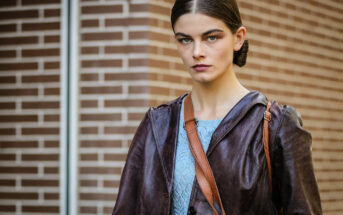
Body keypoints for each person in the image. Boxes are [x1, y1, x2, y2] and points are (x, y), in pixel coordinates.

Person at [112, 0, 322, 214]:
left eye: (211, 37)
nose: (197, 52)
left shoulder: (276, 125)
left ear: (238, 38)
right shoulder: (157, 124)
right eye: (185, 40)